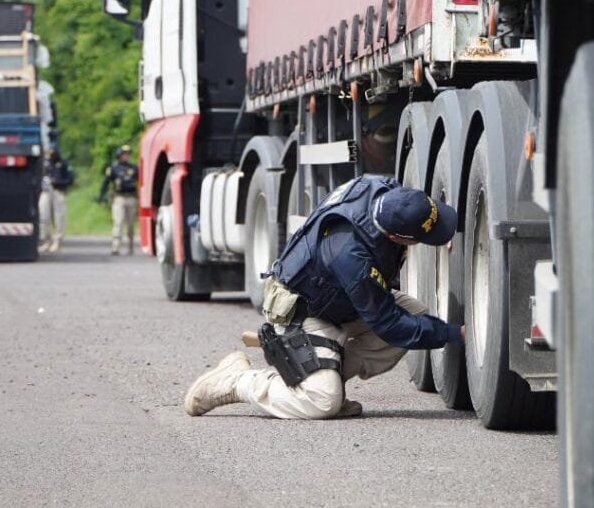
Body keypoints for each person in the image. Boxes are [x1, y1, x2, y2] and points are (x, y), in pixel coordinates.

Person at [183, 175, 464, 420]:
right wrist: (455, 334)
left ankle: (317, 374)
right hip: (303, 312)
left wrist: (442, 232)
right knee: (323, 401)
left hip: (340, 301)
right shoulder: (351, 256)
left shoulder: (381, 190)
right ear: (396, 237)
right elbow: (388, 324)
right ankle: (238, 381)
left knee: (415, 317)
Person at [97, 145, 139, 256]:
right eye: (124, 154)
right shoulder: (113, 169)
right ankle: (116, 247)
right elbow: (106, 183)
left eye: (128, 154)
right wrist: (101, 196)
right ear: (119, 155)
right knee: (118, 222)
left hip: (131, 198)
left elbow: (140, 182)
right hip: (119, 198)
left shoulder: (134, 168)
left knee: (131, 224)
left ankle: (131, 247)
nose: (126, 156)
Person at [38, 148, 74, 253]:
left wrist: (58, 182)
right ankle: (46, 240)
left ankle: (58, 241)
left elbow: (70, 180)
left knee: (59, 217)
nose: (51, 157)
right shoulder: (45, 164)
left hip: (58, 191)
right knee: (44, 216)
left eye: (53, 154)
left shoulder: (64, 164)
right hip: (46, 191)